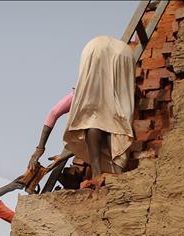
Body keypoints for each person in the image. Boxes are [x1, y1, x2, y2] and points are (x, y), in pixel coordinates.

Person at [27, 35, 136, 189]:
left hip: (105, 51)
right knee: (102, 124)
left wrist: (39, 149)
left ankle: (97, 173)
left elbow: (54, 113)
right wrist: (61, 155)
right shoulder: (115, 96)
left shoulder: (80, 96)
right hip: (123, 54)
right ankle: (105, 174)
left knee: (93, 122)